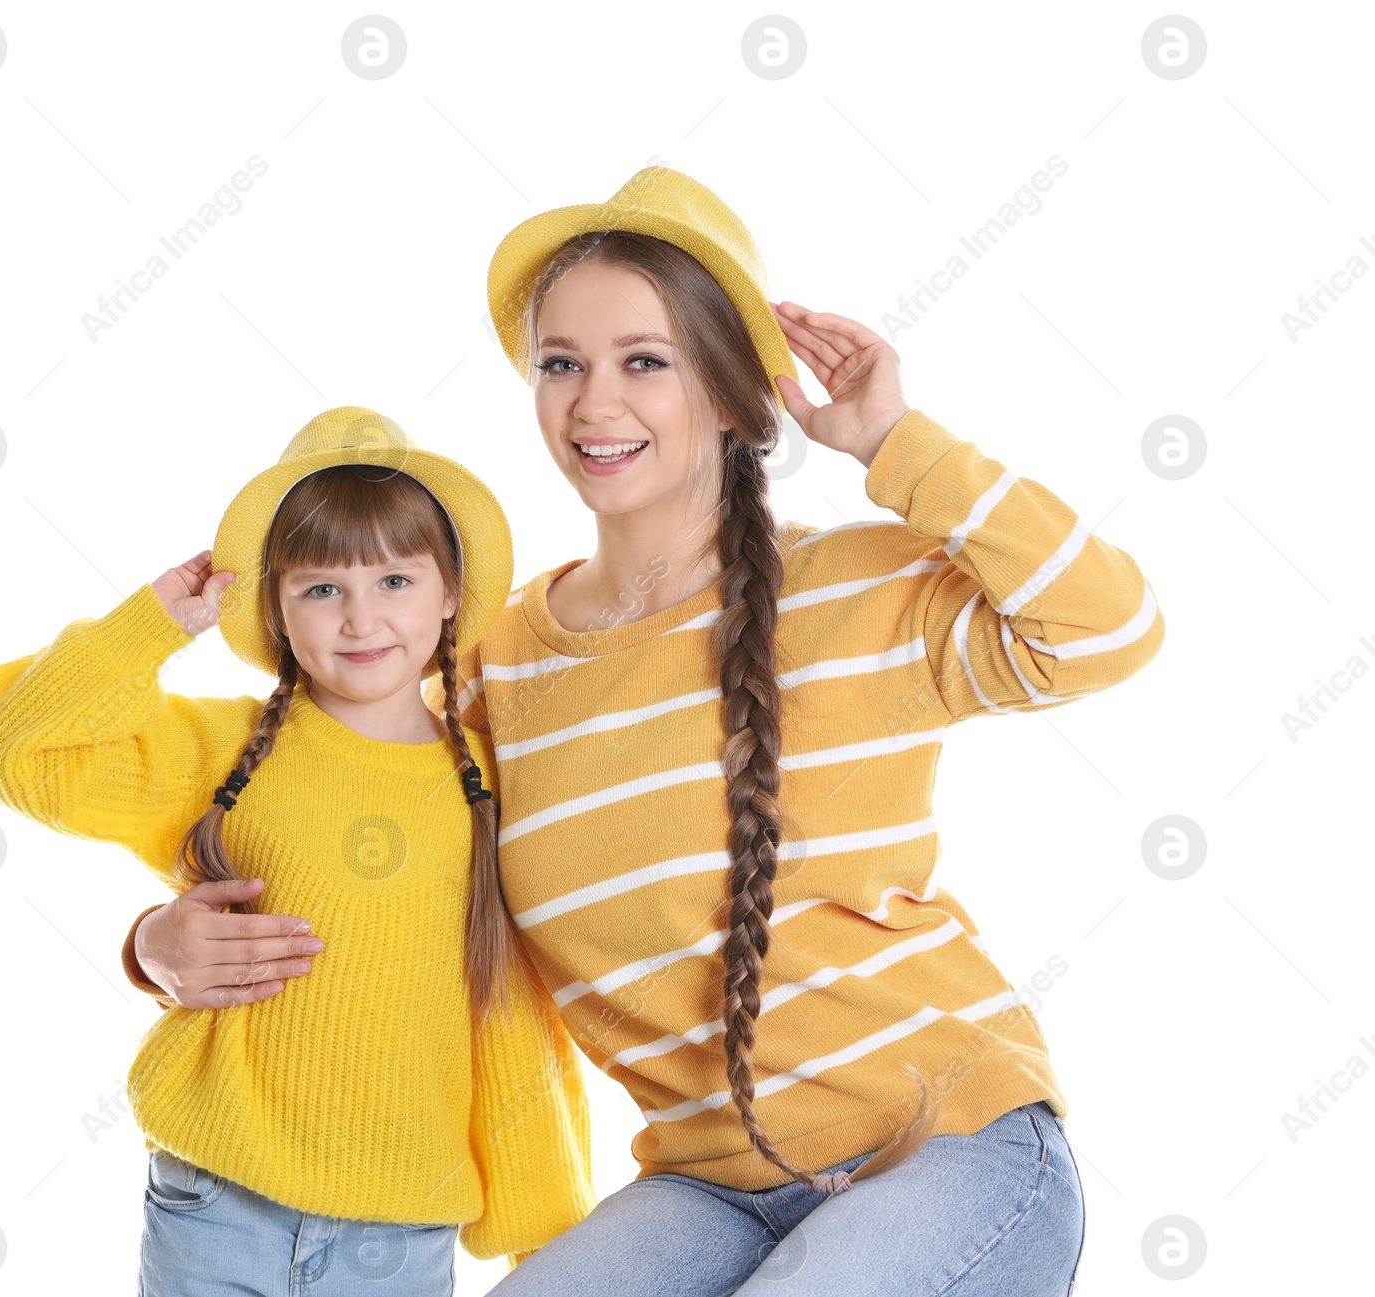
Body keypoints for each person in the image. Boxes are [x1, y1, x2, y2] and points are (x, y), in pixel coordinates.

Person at [121, 169, 1164, 1295]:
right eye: (561, 363)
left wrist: (895, 442)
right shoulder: (492, 666)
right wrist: (154, 945)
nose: (591, 403)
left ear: (728, 389)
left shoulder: (853, 591)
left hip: (951, 1146)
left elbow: (1105, 628)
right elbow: (348, 835)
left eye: (644, 361)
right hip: (707, 1188)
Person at [0, 406, 594, 1296]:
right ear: (278, 608)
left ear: (451, 590)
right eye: (321, 588)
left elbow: (512, 1020)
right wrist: (149, 628)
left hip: (400, 1236)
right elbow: (11, 751)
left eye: (396, 580)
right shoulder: (226, 750)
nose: (360, 618)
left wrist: (547, 1238)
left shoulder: (490, 787)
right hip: (216, 1206)